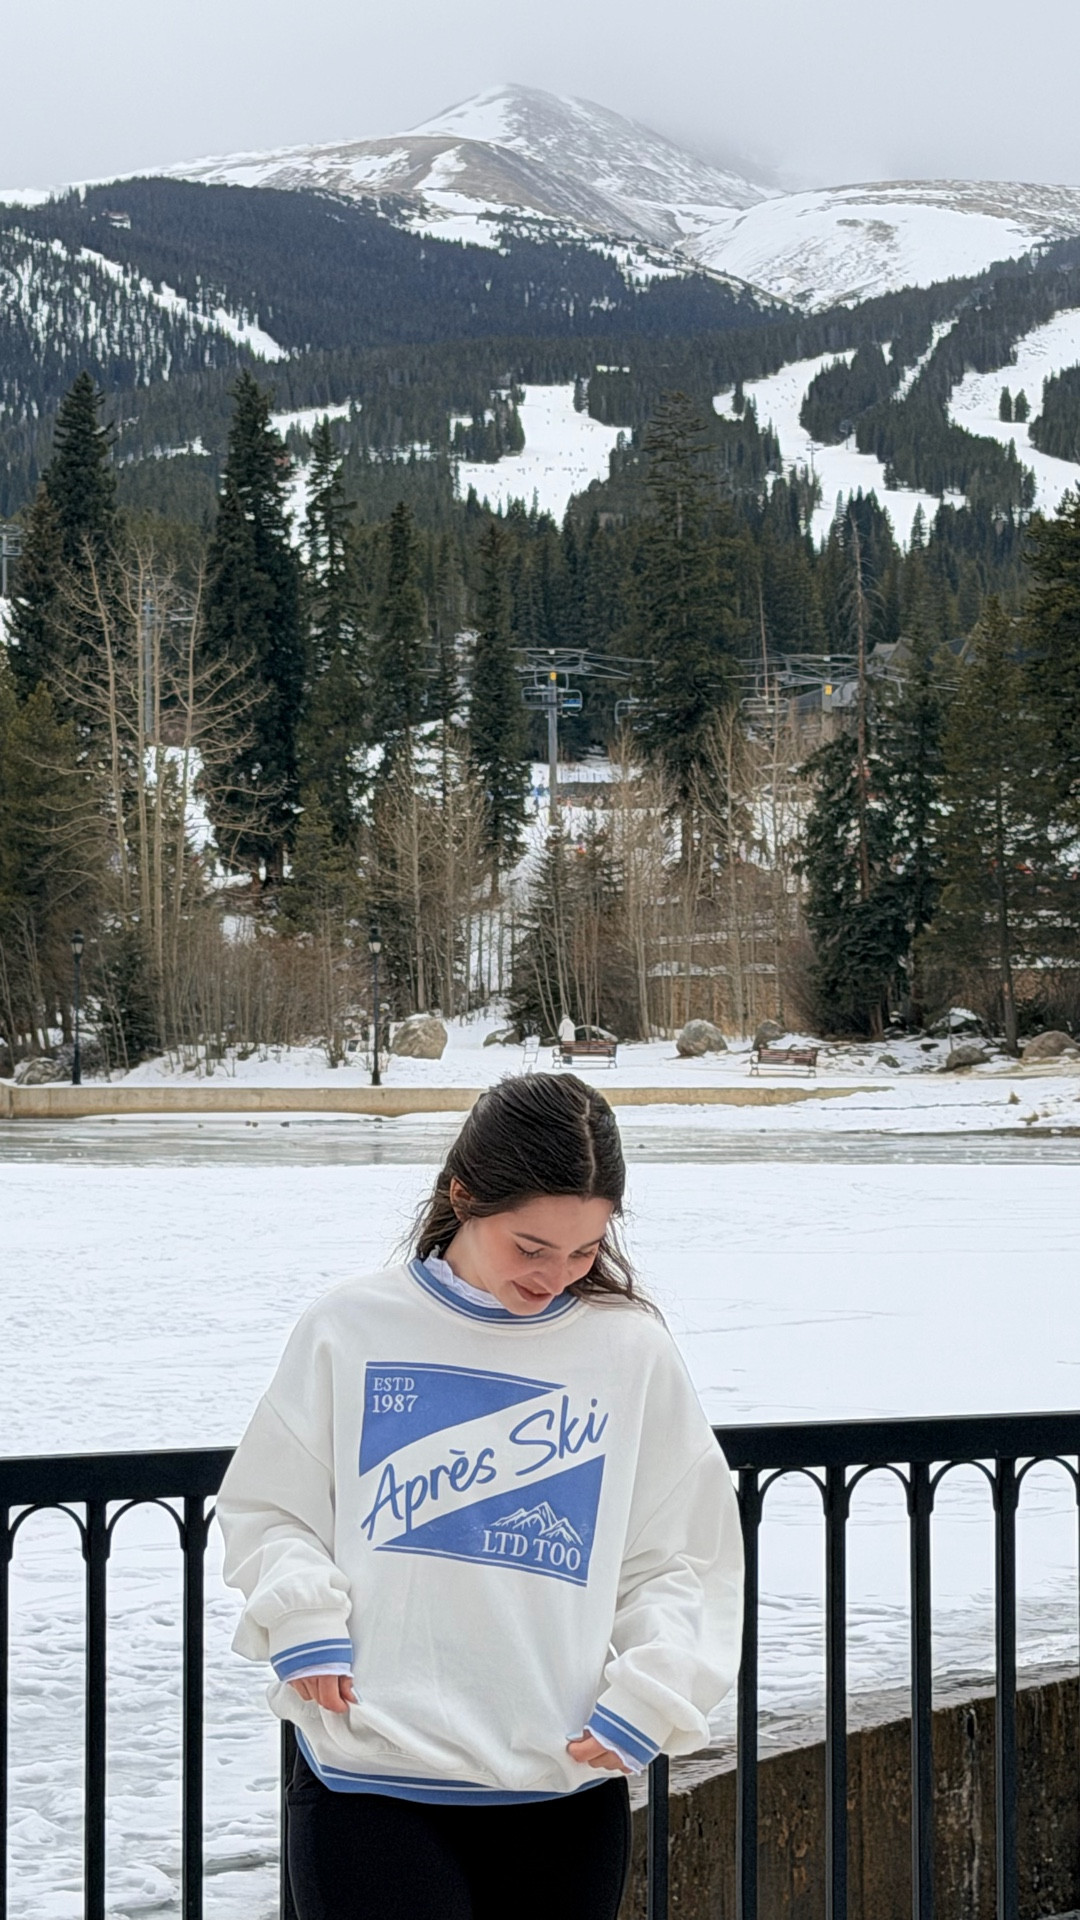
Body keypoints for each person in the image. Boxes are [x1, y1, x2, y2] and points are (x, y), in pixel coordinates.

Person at [218, 1073, 743, 1920]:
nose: (555, 1276)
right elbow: (270, 1505)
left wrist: (649, 1695)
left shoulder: (630, 1352)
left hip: (561, 1788)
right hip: (371, 1781)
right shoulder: (350, 1327)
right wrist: (303, 1621)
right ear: (463, 1194)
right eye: (530, 1247)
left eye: (582, 1252)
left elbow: (681, 1554)